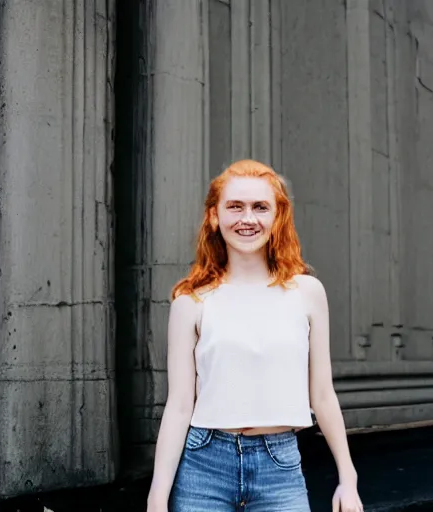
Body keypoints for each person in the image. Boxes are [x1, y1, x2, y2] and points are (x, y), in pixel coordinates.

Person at [147, 159, 363, 512]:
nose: (247, 219)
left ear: (277, 217)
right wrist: (157, 496)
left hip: (279, 467)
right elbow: (180, 405)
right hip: (204, 465)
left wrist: (348, 479)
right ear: (215, 216)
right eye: (235, 207)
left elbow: (322, 395)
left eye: (260, 207)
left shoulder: (307, 292)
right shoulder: (191, 301)